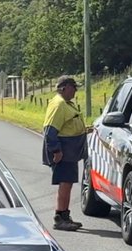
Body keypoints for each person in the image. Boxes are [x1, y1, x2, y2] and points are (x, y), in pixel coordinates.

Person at [42, 75, 89, 231]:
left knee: (67, 184)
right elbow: (50, 131)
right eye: (73, 87)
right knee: (64, 184)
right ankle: (60, 218)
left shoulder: (66, 103)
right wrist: (56, 151)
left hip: (69, 152)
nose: (75, 90)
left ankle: (65, 216)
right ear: (65, 87)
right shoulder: (59, 104)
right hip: (63, 152)